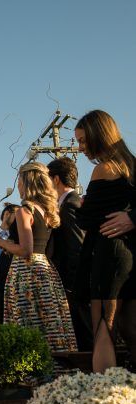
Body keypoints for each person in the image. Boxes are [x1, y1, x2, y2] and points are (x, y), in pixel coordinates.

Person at [0, 162, 77, 354]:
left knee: (28, 322)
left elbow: (26, 250)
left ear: (27, 183)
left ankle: (32, 365)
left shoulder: (24, 211)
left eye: (19, 181)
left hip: (26, 272)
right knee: (49, 322)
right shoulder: (48, 210)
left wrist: (0, 242)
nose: (18, 186)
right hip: (46, 270)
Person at [74, 110, 136, 371]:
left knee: (104, 327)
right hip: (128, 255)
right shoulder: (130, 165)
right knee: (130, 327)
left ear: (98, 136)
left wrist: (83, 205)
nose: (80, 148)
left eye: (83, 141)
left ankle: (104, 389)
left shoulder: (103, 169)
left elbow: (86, 218)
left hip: (108, 254)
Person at [47, 157, 93, 352]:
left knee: (84, 331)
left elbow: (77, 246)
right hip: (72, 281)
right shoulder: (65, 204)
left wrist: (71, 285)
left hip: (74, 282)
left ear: (56, 179)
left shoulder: (71, 204)